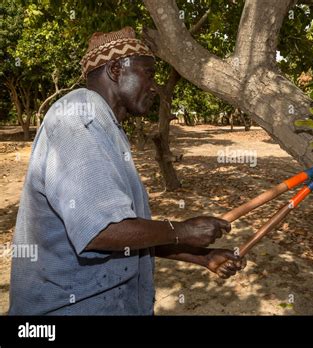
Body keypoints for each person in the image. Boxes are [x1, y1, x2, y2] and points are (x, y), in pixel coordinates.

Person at [9, 27, 245, 315]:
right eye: (149, 74)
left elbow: (123, 233)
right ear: (116, 69)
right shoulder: (78, 119)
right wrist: (182, 231)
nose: (155, 87)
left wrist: (202, 257)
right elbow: (102, 231)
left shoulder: (105, 125)